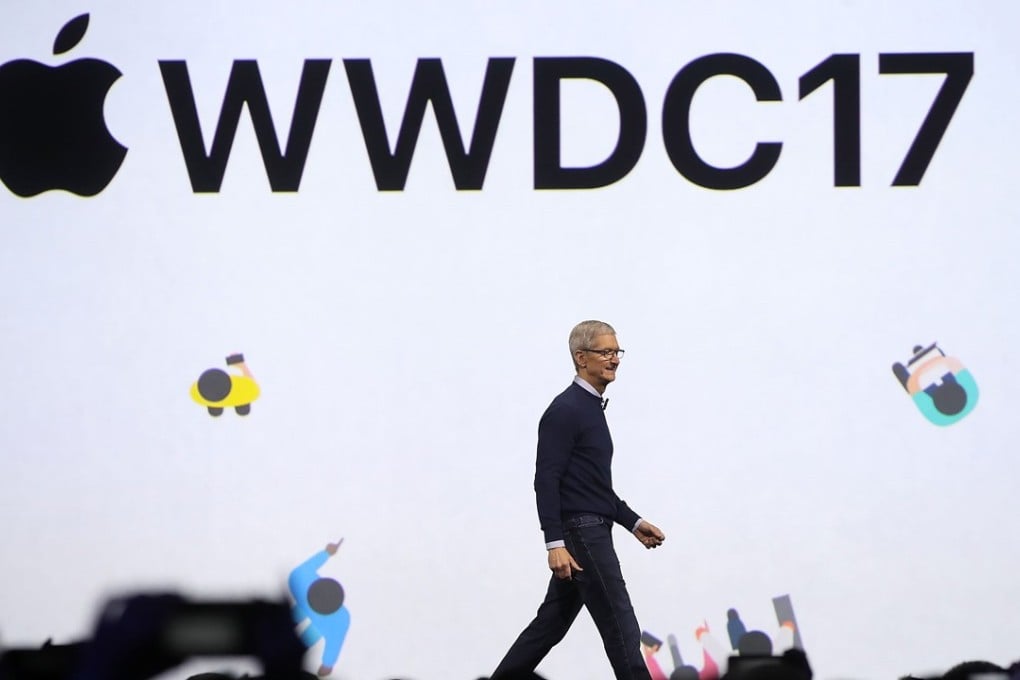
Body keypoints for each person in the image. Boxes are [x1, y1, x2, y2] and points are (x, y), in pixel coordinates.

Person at [492, 320, 666, 680]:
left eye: (617, 351)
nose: (614, 359)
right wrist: (554, 542)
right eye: (606, 352)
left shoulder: (589, 408)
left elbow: (593, 487)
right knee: (621, 626)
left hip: (590, 528)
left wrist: (633, 522)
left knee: (550, 625)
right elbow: (546, 479)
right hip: (583, 534)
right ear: (580, 357)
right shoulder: (566, 410)